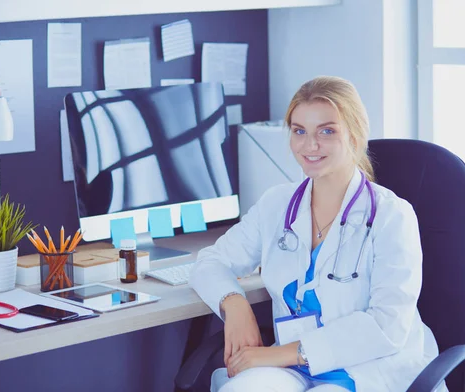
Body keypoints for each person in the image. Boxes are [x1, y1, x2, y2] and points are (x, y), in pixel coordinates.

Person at [189, 76, 446, 392]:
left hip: (369, 369)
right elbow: (210, 262)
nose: (310, 145)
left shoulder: (391, 216)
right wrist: (235, 304)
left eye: (327, 131)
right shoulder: (277, 204)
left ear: (355, 135)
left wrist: (276, 354)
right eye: (299, 131)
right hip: (294, 371)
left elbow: (386, 327)